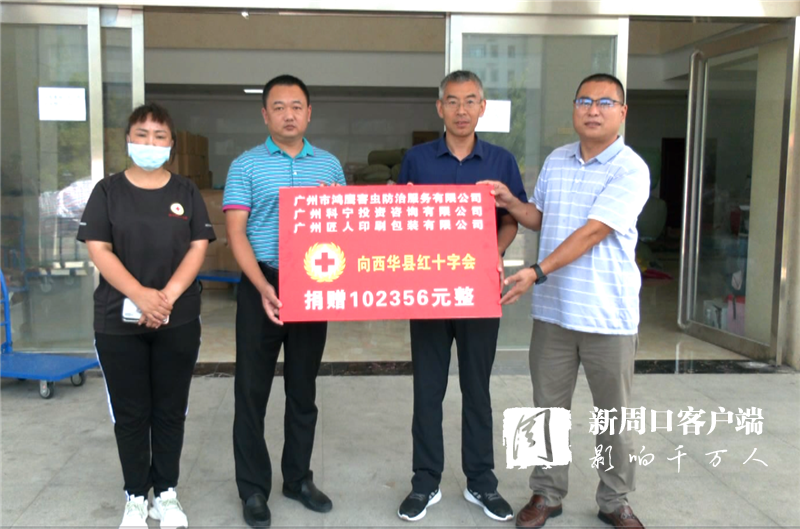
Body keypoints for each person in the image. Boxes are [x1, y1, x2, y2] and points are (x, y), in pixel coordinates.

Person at [480, 73, 650, 529]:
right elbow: (540, 217)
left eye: (605, 102)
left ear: (622, 112)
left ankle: (614, 499)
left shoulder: (630, 169)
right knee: (543, 410)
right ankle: (545, 493)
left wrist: (537, 271)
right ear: (574, 108)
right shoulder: (557, 160)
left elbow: (593, 232)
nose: (593, 110)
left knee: (613, 416)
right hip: (554, 312)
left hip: (608, 316)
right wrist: (510, 202)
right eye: (584, 101)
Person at [395, 70, 526, 523]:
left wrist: (494, 252)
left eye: (471, 101)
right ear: (440, 108)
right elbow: (399, 217)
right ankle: (425, 481)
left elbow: (511, 217)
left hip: (478, 291)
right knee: (428, 389)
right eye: (452, 101)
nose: (462, 110)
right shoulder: (416, 160)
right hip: (428, 290)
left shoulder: (501, 161)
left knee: (477, 388)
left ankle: (481, 481)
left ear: (482, 107)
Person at [78, 102, 216, 529]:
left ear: (171, 144)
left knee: (171, 410)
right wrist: (141, 295)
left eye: (159, 136)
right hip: (117, 322)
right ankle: (136, 496)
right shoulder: (107, 192)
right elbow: (99, 248)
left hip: (178, 318)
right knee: (131, 413)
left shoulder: (186, 192)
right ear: (128, 140)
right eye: (142, 135)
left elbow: (198, 247)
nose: (150, 143)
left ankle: (166, 494)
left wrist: (166, 298)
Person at [223, 74, 345, 528]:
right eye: (279, 107)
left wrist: (338, 210)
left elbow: (346, 231)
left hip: (313, 285)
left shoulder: (329, 166)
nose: (288, 114)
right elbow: (236, 233)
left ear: (309, 113)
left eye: (296, 106)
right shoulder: (246, 166)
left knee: (303, 389)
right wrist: (262, 286)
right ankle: (253, 489)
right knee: (251, 391)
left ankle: (297, 479)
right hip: (262, 281)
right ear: (265, 115)